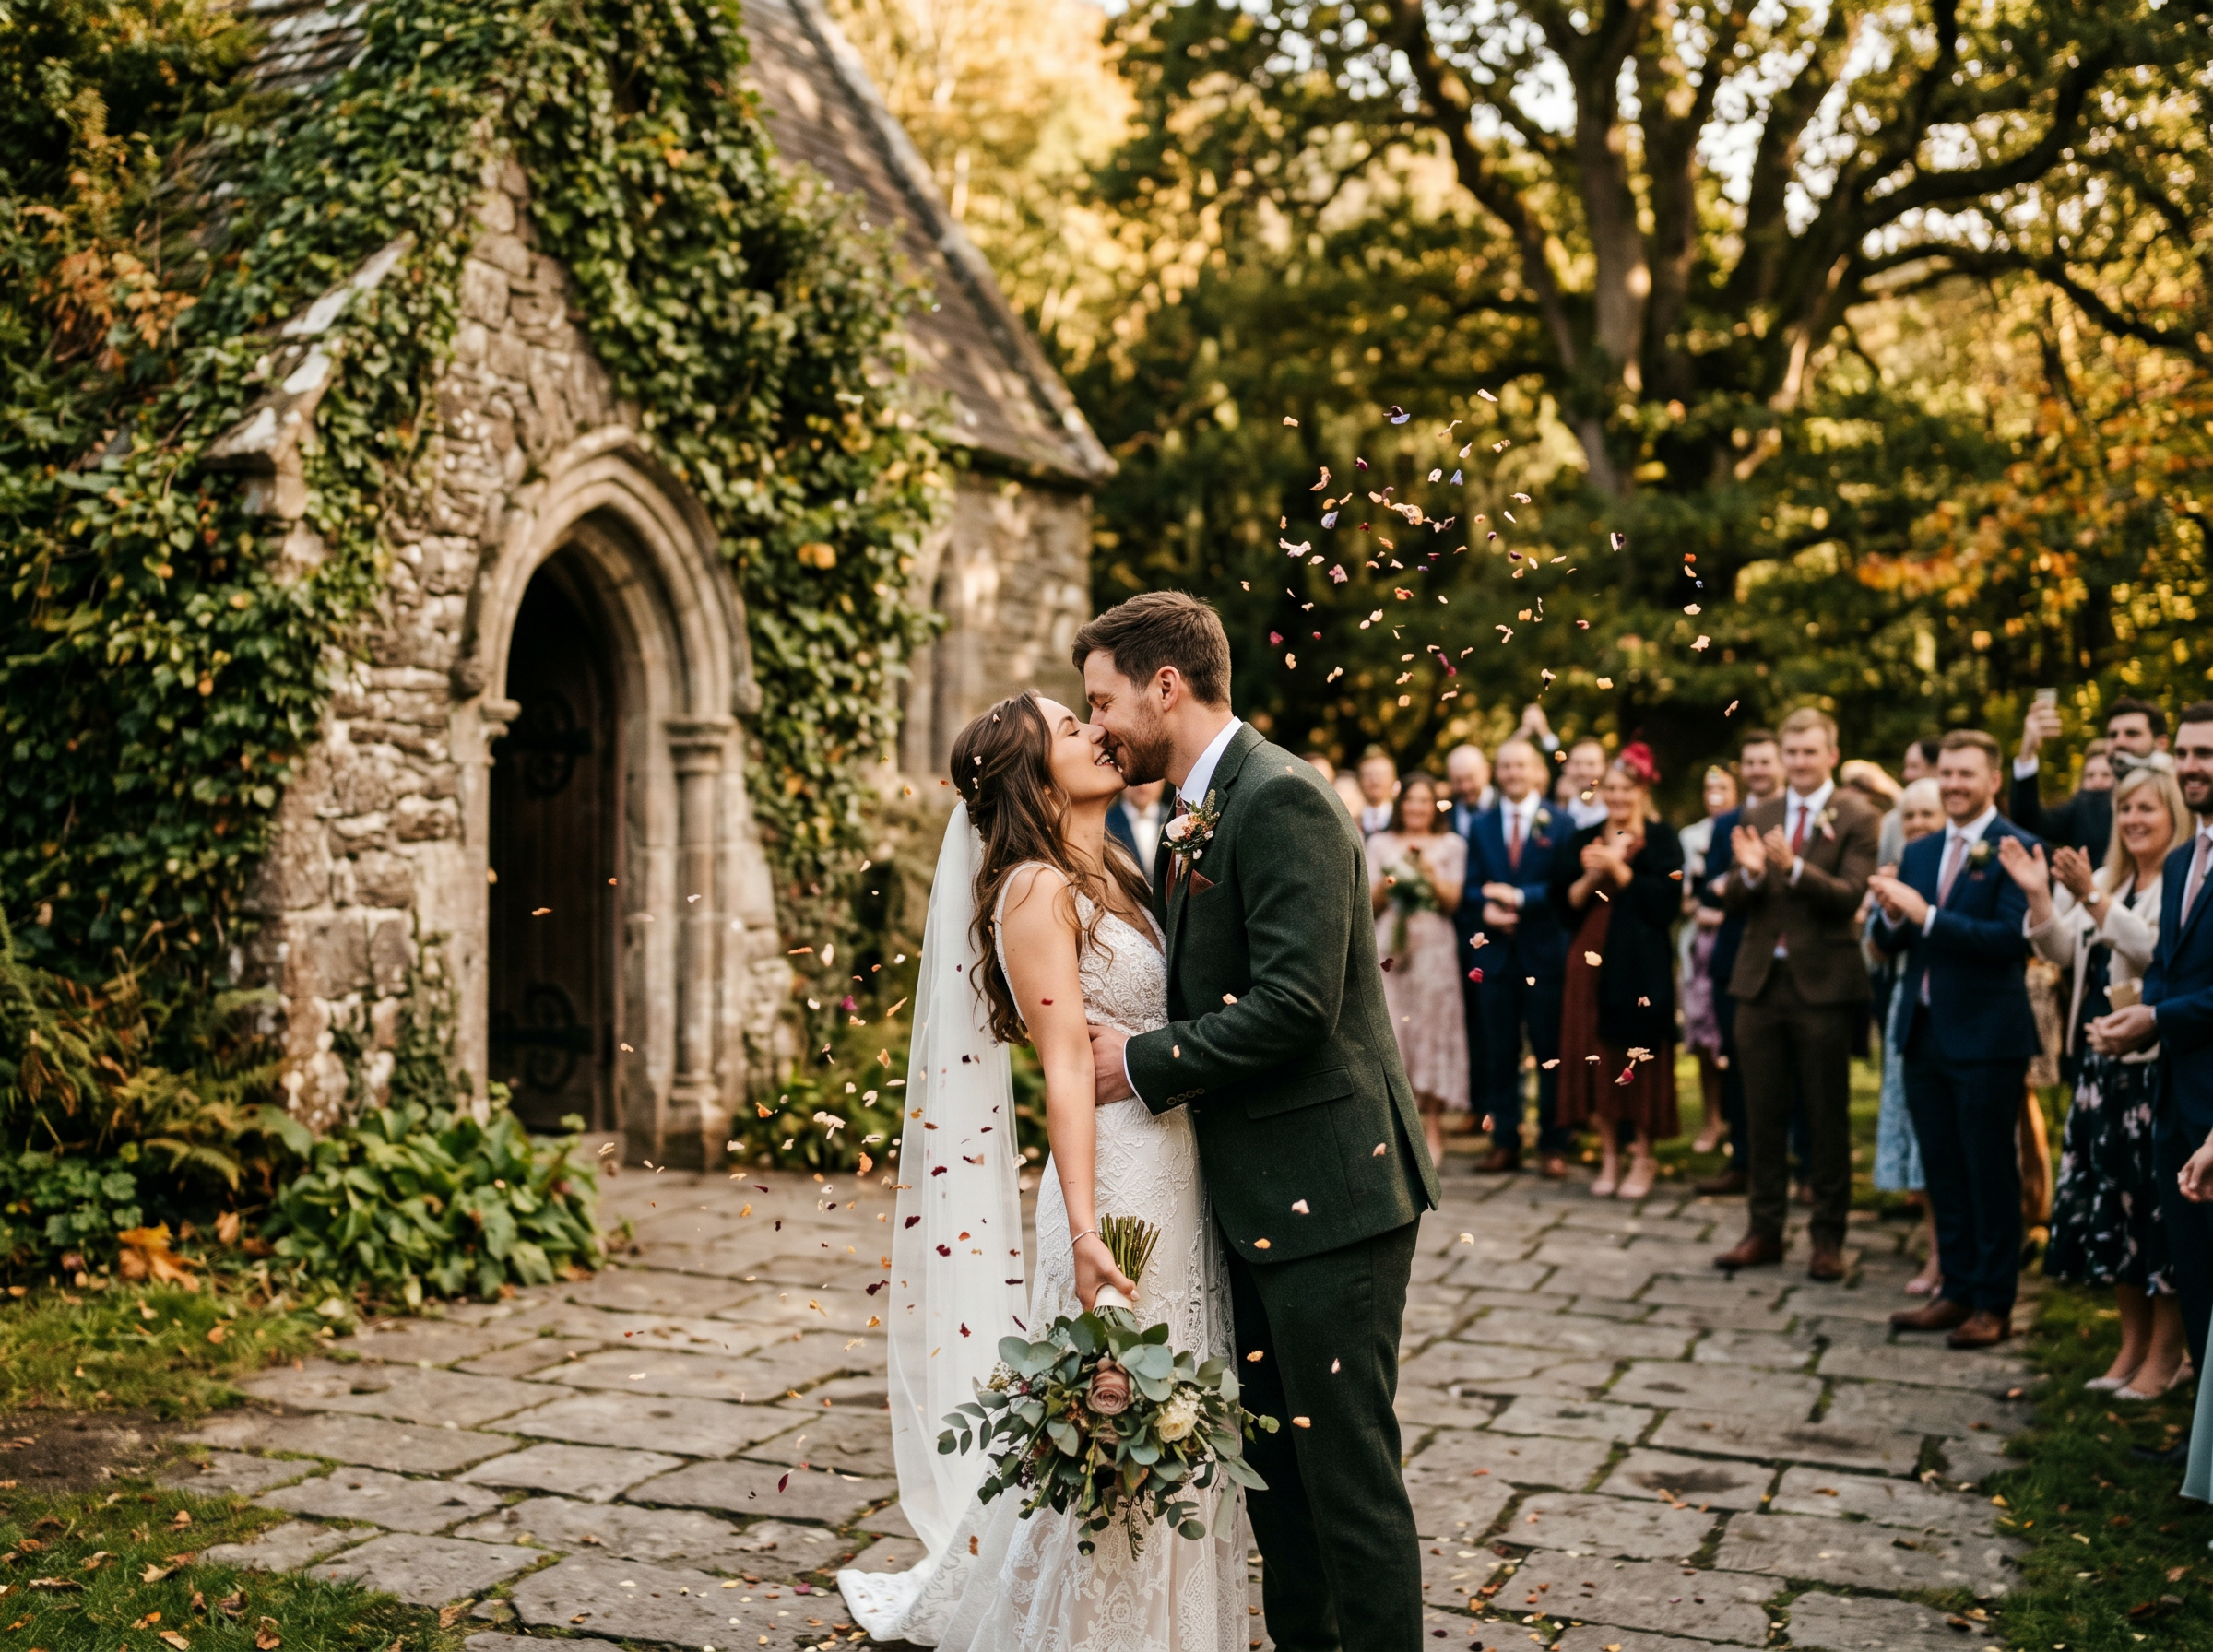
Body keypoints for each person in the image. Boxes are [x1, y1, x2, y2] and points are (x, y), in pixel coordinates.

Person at [839, 690, 1249, 1646]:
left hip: (1173, 1163)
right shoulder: (1032, 887)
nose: (1098, 733)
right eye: (1071, 729)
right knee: (1124, 1423)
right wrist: (1083, 1230)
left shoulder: (1109, 866)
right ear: (1033, 774)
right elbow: (1064, 1064)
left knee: (1171, 1410)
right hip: (1112, 1184)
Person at [1077, 593, 1438, 1651]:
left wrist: (1139, 1060)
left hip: (1335, 1193)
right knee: (1280, 1484)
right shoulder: (1198, 804)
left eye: (1106, 702)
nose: (1099, 726)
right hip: (1258, 1195)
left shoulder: (1281, 799)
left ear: (1167, 686)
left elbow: (1296, 1004)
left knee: (1349, 1484)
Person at [2006, 760, 2189, 1398]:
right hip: (2100, 1070)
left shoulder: (2181, 883)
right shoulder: (2108, 877)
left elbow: (2152, 950)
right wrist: (2037, 894)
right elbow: (2063, 951)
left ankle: (2168, 1353)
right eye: (2126, 809)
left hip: (2153, 1072)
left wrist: (2091, 897)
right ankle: (2130, 1347)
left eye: (2148, 808)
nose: (2134, 819)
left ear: (2175, 816)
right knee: (2117, 1217)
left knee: (2158, 1218)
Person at [1870, 730, 2042, 1349]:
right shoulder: (1920, 852)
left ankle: (1995, 1304)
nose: (1955, 785)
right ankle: (1957, 1290)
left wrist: (1926, 916)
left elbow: (2010, 940)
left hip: (1988, 1038)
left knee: (1989, 1172)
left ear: (1994, 780)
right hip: (1923, 1034)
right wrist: (1890, 913)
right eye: (1947, 774)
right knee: (1943, 1168)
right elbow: (1894, 941)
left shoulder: (2018, 847)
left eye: (1967, 774)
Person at [1711, 709, 1881, 1280]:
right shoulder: (1759, 811)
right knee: (1760, 1114)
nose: (1800, 762)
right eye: (1793, 752)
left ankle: (1828, 1239)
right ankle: (1763, 1230)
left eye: (1811, 752)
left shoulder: (1859, 815)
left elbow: (1851, 894)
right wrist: (1754, 874)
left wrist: (1795, 868)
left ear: (1831, 754)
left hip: (1824, 986)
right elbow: (1736, 893)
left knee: (1826, 1115)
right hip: (1759, 982)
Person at [2089, 702, 2213, 1385]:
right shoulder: (2184, 856)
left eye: (2208, 755)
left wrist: (2156, 1020)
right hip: (2173, 1094)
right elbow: (2165, 964)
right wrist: (2133, 1015)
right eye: (2189, 754)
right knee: (2191, 1270)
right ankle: (2199, 1445)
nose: (2195, 767)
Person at [1551, 743, 1684, 1200]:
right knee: (1597, 1052)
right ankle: (1609, 1153)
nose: (1618, 795)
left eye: (1626, 787)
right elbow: (1564, 904)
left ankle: (1644, 1155)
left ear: (1642, 790)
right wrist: (1594, 873)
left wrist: (1619, 869)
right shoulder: (1583, 838)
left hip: (1642, 963)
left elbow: (1666, 905)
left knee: (1637, 1053)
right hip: (1591, 958)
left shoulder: (1663, 838)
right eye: (1610, 787)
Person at [1467, 737, 1571, 1175]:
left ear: (1536, 771)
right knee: (1499, 1052)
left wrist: (1521, 898)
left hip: (1544, 953)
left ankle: (1553, 1145)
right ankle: (1504, 1141)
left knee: (1550, 1050)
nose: (1512, 773)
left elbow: (1565, 889)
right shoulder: (1483, 825)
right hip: (1495, 958)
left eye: (1520, 766)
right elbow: (1472, 885)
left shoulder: (1561, 824)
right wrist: (1485, 906)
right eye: (1505, 766)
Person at [1695, 728, 1785, 1195]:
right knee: (1737, 1060)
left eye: (1765, 761)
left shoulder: (1795, 818)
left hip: (1787, 958)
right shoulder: (1726, 821)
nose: (1757, 770)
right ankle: (1742, 1160)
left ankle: (1802, 1166)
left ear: (1781, 764)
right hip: (1734, 956)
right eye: (1749, 762)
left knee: (1795, 1067)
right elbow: (1709, 883)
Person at [1369, 773, 1470, 1164]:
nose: (1417, 808)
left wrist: (1425, 872)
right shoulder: (1378, 843)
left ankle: (1432, 1126)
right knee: (1393, 1029)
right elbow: (1371, 903)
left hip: (1434, 949)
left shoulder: (1451, 845)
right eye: (1410, 801)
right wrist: (1393, 880)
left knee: (1431, 1030)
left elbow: (1453, 901)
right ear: (1401, 805)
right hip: (1390, 947)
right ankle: (1396, 1127)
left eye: (1425, 801)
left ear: (1435, 807)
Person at [1871, 778, 1947, 1295]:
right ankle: (1936, 1252)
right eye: (1910, 814)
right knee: (1919, 1142)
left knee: (1948, 1146)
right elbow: (1878, 949)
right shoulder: (1904, 868)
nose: (1917, 823)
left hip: (1955, 1011)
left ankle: (1953, 1258)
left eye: (1927, 813)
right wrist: (1889, 915)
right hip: (1908, 1009)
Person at [2015, 695, 2167, 855]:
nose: (2119, 742)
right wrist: (2027, 750)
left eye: (2132, 733)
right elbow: (2030, 823)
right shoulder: (2089, 805)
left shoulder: (2181, 797)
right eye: (2113, 735)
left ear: (2161, 744)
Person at [1680, 765, 1739, 1154]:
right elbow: (1683, 897)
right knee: (1703, 1036)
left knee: (1734, 1037)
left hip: (1737, 942)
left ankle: (1739, 1122)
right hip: (1699, 948)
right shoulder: (1690, 837)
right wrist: (1698, 911)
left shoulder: (1749, 827)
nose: (1714, 791)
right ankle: (1711, 1119)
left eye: (1722, 785)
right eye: (1708, 785)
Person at [1883, 739, 1945, 867]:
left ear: (1937, 767)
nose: (1906, 775)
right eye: (1909, 816)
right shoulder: (1892, 820)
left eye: (1914, 766)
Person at [1106, 776, 1170, 876]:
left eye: (1151, 778)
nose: (1143, 787)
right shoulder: (1106, 825)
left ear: (1162, 782)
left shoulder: (1174, 821)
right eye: (1136, 778)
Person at [1559, 738, 1610, 829]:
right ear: (1567, 767)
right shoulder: (1561, 806)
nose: (1583, 771)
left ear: (1605, 766)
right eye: (1577, 764)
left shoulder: (1616, 803)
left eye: (1591, 764)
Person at [1356, 744, 1399, 835]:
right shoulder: (1351, 821)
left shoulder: (1402, 820)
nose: (1375, 781)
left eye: (1381, 774)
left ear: (1393, 779)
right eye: (1368, 775)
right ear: (1359, 781)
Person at [1446, 743, 1496, 820]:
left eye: (1470, 778)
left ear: (1487, 772)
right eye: (1458, 781)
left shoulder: (1505, 805)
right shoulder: (1447, 813)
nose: (1465, 787)